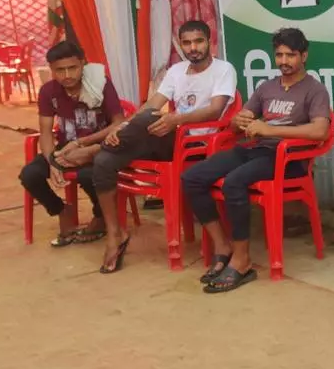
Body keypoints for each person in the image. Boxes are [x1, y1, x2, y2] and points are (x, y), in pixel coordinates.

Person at [182, 28, 331, 294]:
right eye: (279, 55)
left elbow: (320, 131)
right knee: (192, 177)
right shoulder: (267, 87)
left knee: (234, 183)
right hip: (255, 149)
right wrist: (238, 120)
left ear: (304, 56)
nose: (284, 61)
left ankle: (241, 261)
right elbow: (242, 118)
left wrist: (271, 130)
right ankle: (222, 246)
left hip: (287, 159)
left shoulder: (314, 90)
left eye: (291, 55)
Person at [91, 21, 238, 274]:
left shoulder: (223, 69)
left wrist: (176, 119)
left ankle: (89, 148)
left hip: (197, 143)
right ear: (180, 45)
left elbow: (216, 109)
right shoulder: (177, 70)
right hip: (169, 138)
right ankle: (115, 234)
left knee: (147, 122)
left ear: (209, 42)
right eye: (187, 43)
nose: (193, 48)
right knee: (104, 161)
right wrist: (123, 125)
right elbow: (153, 103)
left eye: (199, 41)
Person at [19, 41, 125, 247]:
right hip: (66, 148)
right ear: (52, 70)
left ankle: (100, 217)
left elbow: (119, 123)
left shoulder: (100, 84)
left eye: (72, 68)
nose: (67, 75)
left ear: (83, 64)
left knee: (89, 175)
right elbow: (46, 132)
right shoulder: (48, 91)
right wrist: (51, 162)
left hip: (100, 148)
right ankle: (61, 210)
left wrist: (82, 144)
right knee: (30, 175)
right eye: (60, 70)